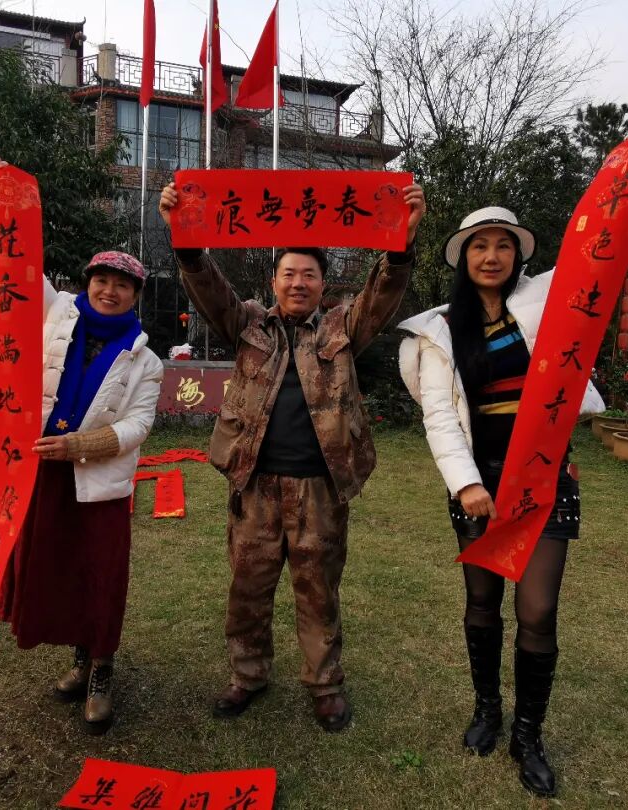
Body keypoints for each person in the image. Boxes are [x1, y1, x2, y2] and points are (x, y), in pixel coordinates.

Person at [397, 123, 628, 796]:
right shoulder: (438, 330)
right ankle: (486, 710)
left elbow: (612, 243)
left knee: (537, 612)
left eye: (503, 245)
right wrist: (465, 485)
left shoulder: (549, 296)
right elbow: (439, 416)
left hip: (545, 480)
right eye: (480, 246)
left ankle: (528, 735)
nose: (492, 256)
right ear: (463, 256)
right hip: (479, 485)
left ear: (517, 254)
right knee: (481, 604)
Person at [158, 180, 426, 731]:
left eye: (309, 274)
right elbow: (208, 289)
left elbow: (381, 295)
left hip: (319, 488)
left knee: (318, 590)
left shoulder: (341, 327)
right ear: (273, 281)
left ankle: (325, 684)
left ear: (323, 284)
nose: (298, 282)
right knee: (247, 588)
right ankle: (247, 675)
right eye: (289, 273)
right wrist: (184, 239)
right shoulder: (248, 324)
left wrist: (401, 244)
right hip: (254, 484)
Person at [0, 149, 164, 734]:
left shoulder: (146, 359)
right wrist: (4, 190)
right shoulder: (55, 314)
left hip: (98, 482)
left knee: (100, 576)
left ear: (135, 295)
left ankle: (102, 667)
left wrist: (81, 446)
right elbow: (17, 264)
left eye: (122, 285)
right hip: (41, 472)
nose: (109, 291)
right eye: (101, 281)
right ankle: (79, 659)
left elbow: (138, 426)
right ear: (87, 283)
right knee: (56, 570)